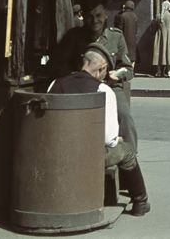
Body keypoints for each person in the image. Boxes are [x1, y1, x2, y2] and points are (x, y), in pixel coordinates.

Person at [47, 43, 150, 216]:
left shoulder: (55, 83)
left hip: (57, 152)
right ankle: (140, 202)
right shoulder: (104, 90)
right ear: (101, 68)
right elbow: (109, 139)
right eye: (105, 71)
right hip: (88, 157)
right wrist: (117, 140)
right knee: (126, 151)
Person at [50, 0, 138, 151]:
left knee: (125, 116)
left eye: (98, 15)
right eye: (90, 16)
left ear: (106, 14)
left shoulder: (115, 36)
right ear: (84, 16)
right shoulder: (74, 36)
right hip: (80, 85)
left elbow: (128, 68)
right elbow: (59, 64)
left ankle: (129, 156)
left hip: (109, 86)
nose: (94, 20)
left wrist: (117, 75)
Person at [152, 0, 170, 78]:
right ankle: (169, 72)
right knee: (169, 52)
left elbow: (154, 28)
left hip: (160, 36)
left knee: (159, 52)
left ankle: (158, 72)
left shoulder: (158, 16)